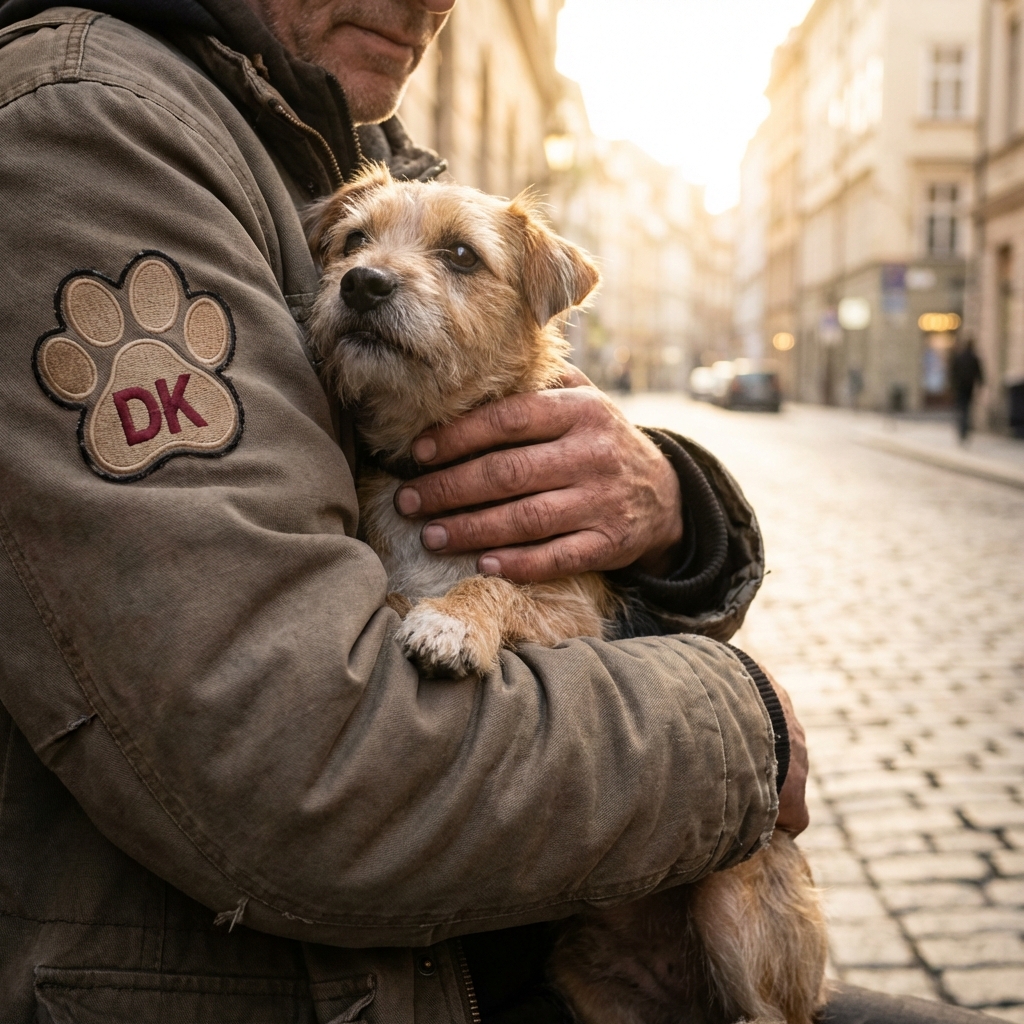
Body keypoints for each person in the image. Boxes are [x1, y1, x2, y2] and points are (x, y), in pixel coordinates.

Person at [0, 2, 992, 1021]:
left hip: (515, 926)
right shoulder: (99, 129)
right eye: (349, 247)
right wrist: (747, 727)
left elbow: (572, 569)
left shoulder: (320, 130)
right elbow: (299, 756)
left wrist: (676, 511)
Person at [950, 336, 984, 442]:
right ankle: (965, 429)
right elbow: (979, 374)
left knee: (961, 408)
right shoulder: (974, 358)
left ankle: (962, 429)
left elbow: (953, 372)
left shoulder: (960, 357)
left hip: (960, 387)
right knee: (967, 409)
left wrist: (952, 386)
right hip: (969, 387)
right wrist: (980, 385)